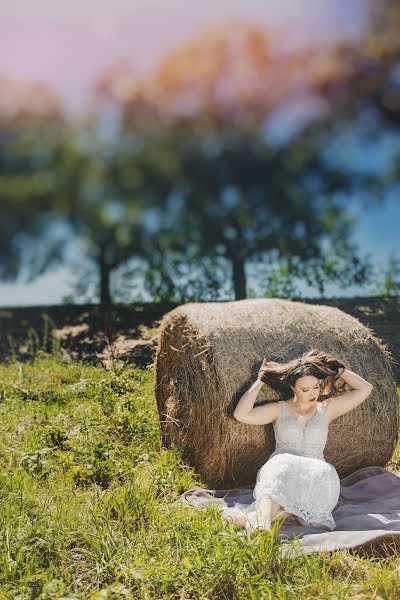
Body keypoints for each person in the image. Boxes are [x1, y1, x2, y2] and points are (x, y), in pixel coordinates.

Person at [232, 348, 374, 533]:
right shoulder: (279, 409)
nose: (312, 393)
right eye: (305, 389)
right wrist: (260, 381)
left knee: (319, 472)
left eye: (316, 387)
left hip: (316, 470)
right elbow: (241, 414)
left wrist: (338, 370)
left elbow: (366, 389)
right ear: (293, 388)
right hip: (283, 465)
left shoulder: (327, 408)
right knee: (280, 468)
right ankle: (262, 524)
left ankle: (256, 519)